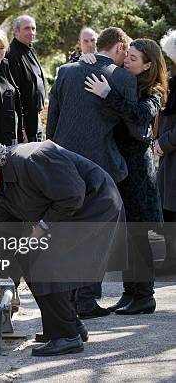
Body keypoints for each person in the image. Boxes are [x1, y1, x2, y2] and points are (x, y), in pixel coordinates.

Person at [0, 142, 126, 356]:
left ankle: (66, 336)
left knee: (43, 258)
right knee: (25, 255)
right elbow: (3, 234)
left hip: (94, 205)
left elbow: (73, 195)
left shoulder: (33, 159)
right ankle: (68, 327)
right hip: (66, 214)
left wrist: (41, 228)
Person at [47, 27, 137, 319]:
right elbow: (131, 128)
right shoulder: (123, 78)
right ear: (121, 47)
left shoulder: (65, 72)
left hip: (64, 164)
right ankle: (86, 299)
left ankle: (70, 298)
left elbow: (54, 121)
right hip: (101, 165)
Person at [84, 38, 168, 314]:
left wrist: (109, 94)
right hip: (121, 166)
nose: (127, 60)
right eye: (127, 55)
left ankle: (144, 295)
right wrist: (89, 59)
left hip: (139, 170)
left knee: (139, 232)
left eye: (134, 58)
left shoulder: (154, 90)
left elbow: (140, 116)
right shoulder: (123, 79)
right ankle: (130, 292)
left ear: (148, 65)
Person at [155, 30, 176, 275]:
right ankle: (171, 256)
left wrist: (164, 143)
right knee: (169, 208)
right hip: (170, 155)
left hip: (171, 150)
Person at [7, 15, 46, 142]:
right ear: (16, 31)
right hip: (25, 123)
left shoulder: (30, 50)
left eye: (33, 28)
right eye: (27, 28)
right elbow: (14, 95)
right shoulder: (12, 54)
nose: (31, 32)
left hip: (36, 117)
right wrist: (21, 128)